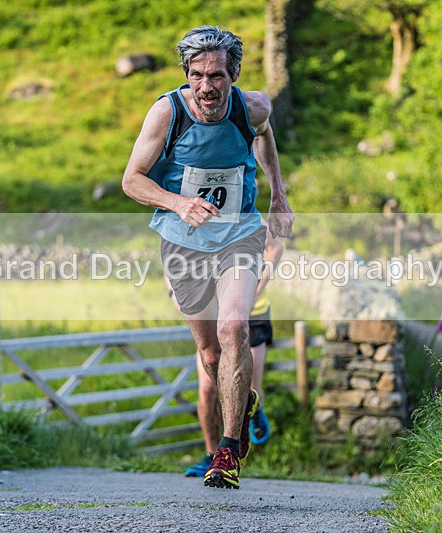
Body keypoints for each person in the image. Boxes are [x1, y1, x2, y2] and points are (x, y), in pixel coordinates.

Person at [122, 26, 294, 490]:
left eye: (216, 75)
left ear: (233, 75)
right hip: (182, 242)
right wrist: (179, 203)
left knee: (234, 326)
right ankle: (243, 401)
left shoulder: (252, 107)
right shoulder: (167, 113)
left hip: (240, 234)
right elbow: (132, 180)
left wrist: (278, 195)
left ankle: (228, 450)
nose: (206, 87)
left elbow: (264, 135)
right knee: (210, 353)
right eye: (196, 75)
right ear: (186, 74)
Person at [171, 221, 283, 478]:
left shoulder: (247, 214)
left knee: (248, 387)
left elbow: (276, 247)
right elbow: (174, 251)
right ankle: (212, 455)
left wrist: (256, 288)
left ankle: (249, 420)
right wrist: (174, 292)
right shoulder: (195, 216)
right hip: (214, 313)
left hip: (252, 314)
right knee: (207, 388)